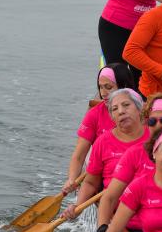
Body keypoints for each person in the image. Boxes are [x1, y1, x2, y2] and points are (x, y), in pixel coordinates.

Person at [95, 94, 162, 232]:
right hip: (139, 228)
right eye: (152, 121)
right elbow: (109, 197)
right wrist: (102, 228)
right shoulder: (134, 153)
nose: (158, 126)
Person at [61, 89, 148, 219]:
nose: (121, 111)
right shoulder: (103, 142)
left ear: (139, 108)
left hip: (152, 213)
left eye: (126, 105)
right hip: (118, 216)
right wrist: (77, 206)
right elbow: (91, 183)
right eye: (114, 109)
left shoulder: (157, 139)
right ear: (112, 117)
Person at [62, 63, 135, 195]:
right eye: (100, 87)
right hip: (104, 171)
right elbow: (79, 155)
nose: (103, 93)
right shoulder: (95, 114)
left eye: (108, 87)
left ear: (124, 87)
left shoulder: (142, 112)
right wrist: (72, 179)